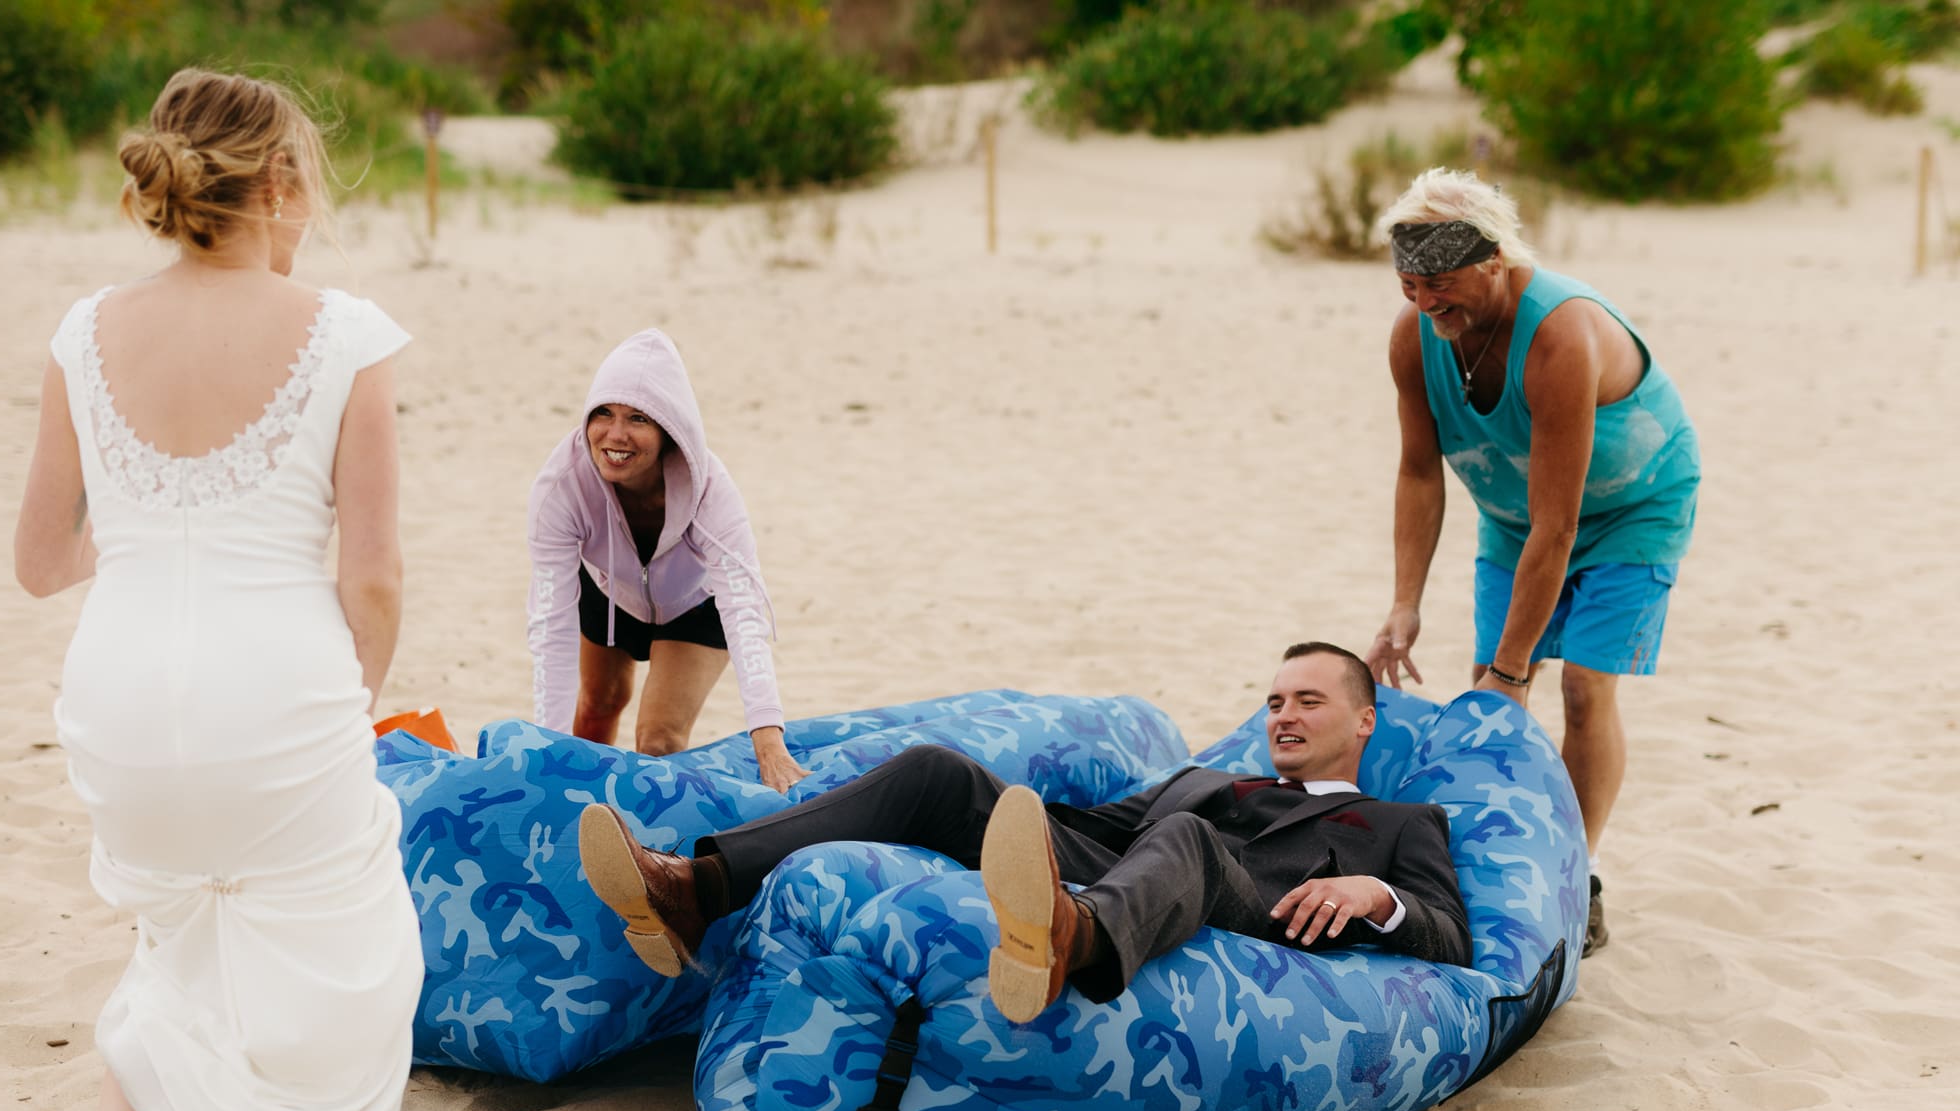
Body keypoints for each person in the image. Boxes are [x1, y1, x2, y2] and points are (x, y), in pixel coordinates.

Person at [15, 69, 423, 1111]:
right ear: (282, 184)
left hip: (120, 691)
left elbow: (37, 559)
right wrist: (347, 694)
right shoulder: (346, 334)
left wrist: (150, 553)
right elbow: (371, 571)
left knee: (184, 934)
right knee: (342, 978)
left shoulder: (84, 334)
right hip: (278, 692)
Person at [578, 643, 1468, 1021]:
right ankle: (697, 891)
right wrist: (1002, 812)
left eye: (1309, 701)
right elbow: (1096, 830)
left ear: (1364, 720)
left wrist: (1377, 893)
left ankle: (1065, 944)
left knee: (1190, 843)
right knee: (937, 770)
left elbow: (1452, 934)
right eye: (1273, 700)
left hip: (1264, 916)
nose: (1283, 715)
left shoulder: (1398, 820)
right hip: (1142, 871)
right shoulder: (1207, 778)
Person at [1364, 169, 1701, 956]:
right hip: (1514, 509)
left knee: (1579, 686)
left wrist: (1516, 672)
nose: (1424, 301)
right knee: (1492, 683)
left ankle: (1575, 876)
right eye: (1410, 284)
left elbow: (1563, 523)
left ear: (1495, 260)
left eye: (1440, 282)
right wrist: (1405, 603)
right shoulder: (1412, 337)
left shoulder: (1559, 335)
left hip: (1632, 505)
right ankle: (1512, 862)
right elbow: (1419, 471)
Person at [525, 330, 808, 793]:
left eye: (638, 418)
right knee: (596, 708)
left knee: (657, 742)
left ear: (668, 430)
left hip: (693, 607)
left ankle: (648, 851)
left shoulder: (711, 490)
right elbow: (550, 625)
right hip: (607, 590)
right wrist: (548, 753)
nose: (615, 435)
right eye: (604, 414)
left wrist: (769, 741)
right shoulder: (562, 484)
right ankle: (578, 815)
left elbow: (743, 611)